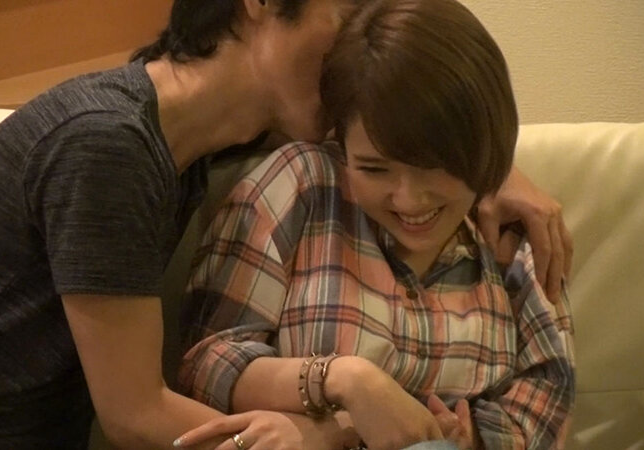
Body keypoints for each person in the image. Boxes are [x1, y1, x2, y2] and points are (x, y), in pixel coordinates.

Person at [0, 0, 570, 448]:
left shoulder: (201, 135)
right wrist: (330, 425)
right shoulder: (109, 143)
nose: (355, 45)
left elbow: (408, 119)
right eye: (345, 12)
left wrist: (488, 167)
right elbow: (135, 417)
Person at [175, 0, 575, 448]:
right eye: (374, 169)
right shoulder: (303, 186)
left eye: (433, 167)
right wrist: (342, 381)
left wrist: (468, 437)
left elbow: (547, 402)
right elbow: (207, 362)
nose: (408, 199)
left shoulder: (513, 237)